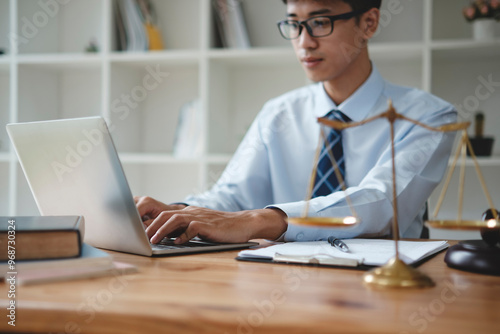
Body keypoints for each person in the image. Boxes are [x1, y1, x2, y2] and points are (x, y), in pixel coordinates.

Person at [135, 0, 457, 245]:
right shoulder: (278, 114)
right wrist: (178, 211)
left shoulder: (428, 116)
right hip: (283, 284)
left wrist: (267, 220)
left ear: (368, 23)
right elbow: (231, 196)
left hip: (384, 289)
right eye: (294, 24)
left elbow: (382, 201)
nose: (304, 42)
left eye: (320, 22)